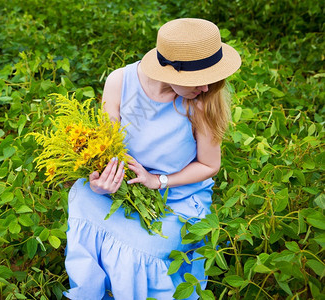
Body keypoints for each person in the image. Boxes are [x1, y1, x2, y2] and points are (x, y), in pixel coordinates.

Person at [64, 18, 241, 299]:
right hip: (126, 184)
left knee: (144, 247)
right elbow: (105, 149)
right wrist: (101, 182)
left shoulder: (203, 99)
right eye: (198, 81)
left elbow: (210, 165)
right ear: (169, 71)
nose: (207, 88)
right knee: (83, 199)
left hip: (176, 193)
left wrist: (158, 181)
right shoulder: (120, 81)